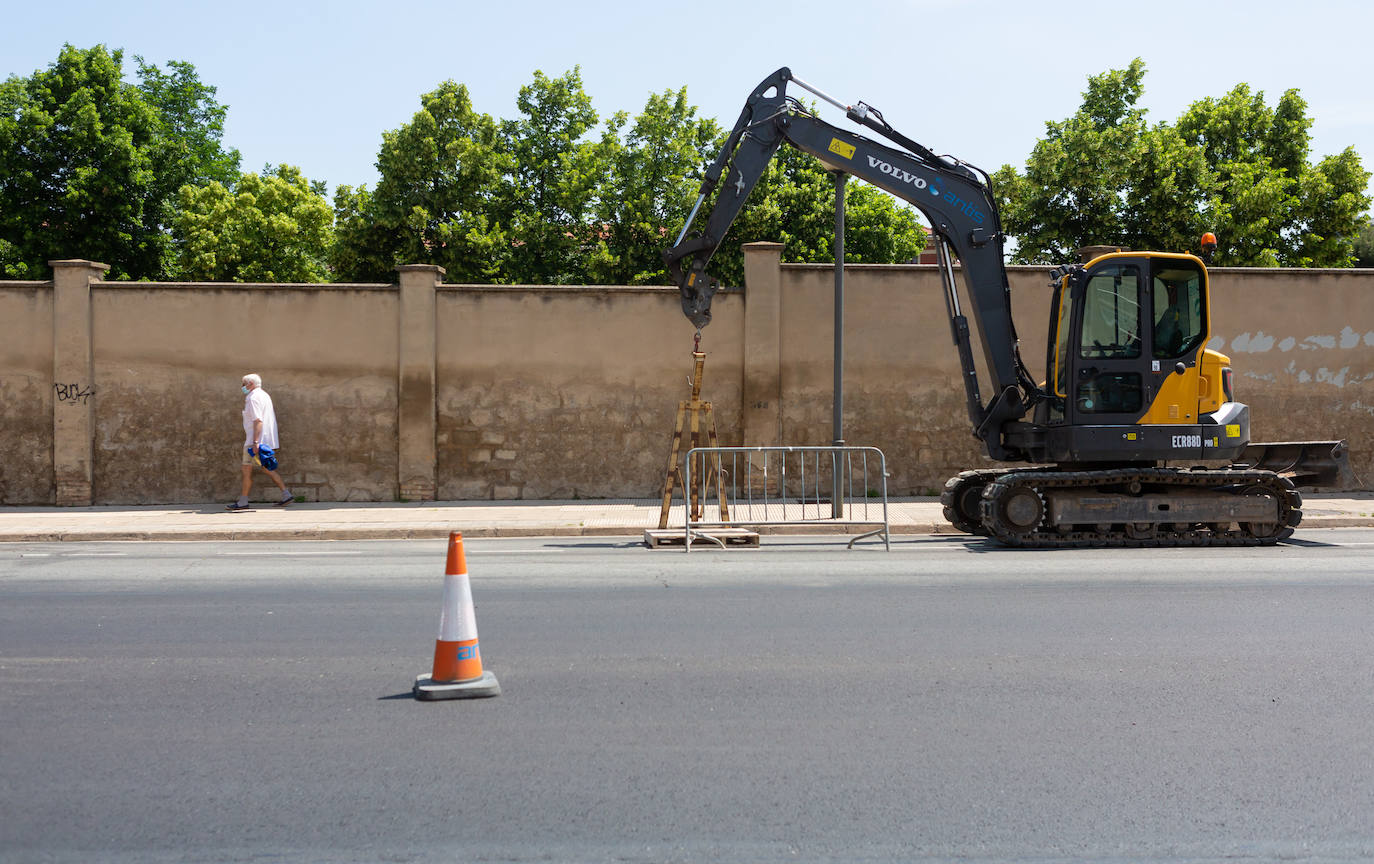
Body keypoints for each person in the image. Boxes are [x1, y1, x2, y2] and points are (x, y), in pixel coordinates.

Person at [227, 373, 293, 510]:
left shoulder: (252, 398)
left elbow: (258, 420)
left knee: (246, 469)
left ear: (250, 384)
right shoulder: (264, 395)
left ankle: (243, 502)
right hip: (265, 440)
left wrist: (255, 442)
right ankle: (286, 494)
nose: (242, 387)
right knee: (266, 468)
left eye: (244, 384)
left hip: (254, 441)